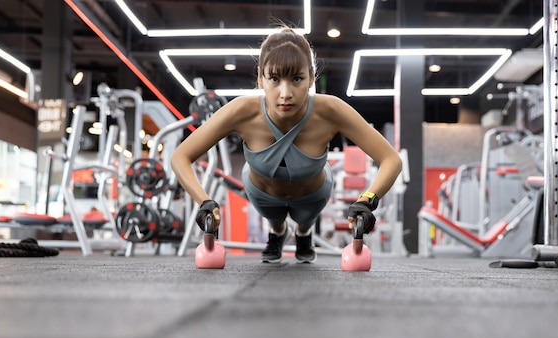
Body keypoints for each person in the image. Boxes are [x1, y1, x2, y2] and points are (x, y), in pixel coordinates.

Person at [171, 27, 402, 263]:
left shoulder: (331, 110)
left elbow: (391, 159)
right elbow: (181, 156)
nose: (285, 93)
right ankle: (278, 232)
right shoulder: (241, 111)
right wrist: (204, 202)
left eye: (297, 79)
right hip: (262, 194)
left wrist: (367, 199)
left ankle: (303, 233)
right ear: (261, 78)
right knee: (276, 221)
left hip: (312, 195)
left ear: (312, 77)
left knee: (304, 222)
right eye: (274, 79)